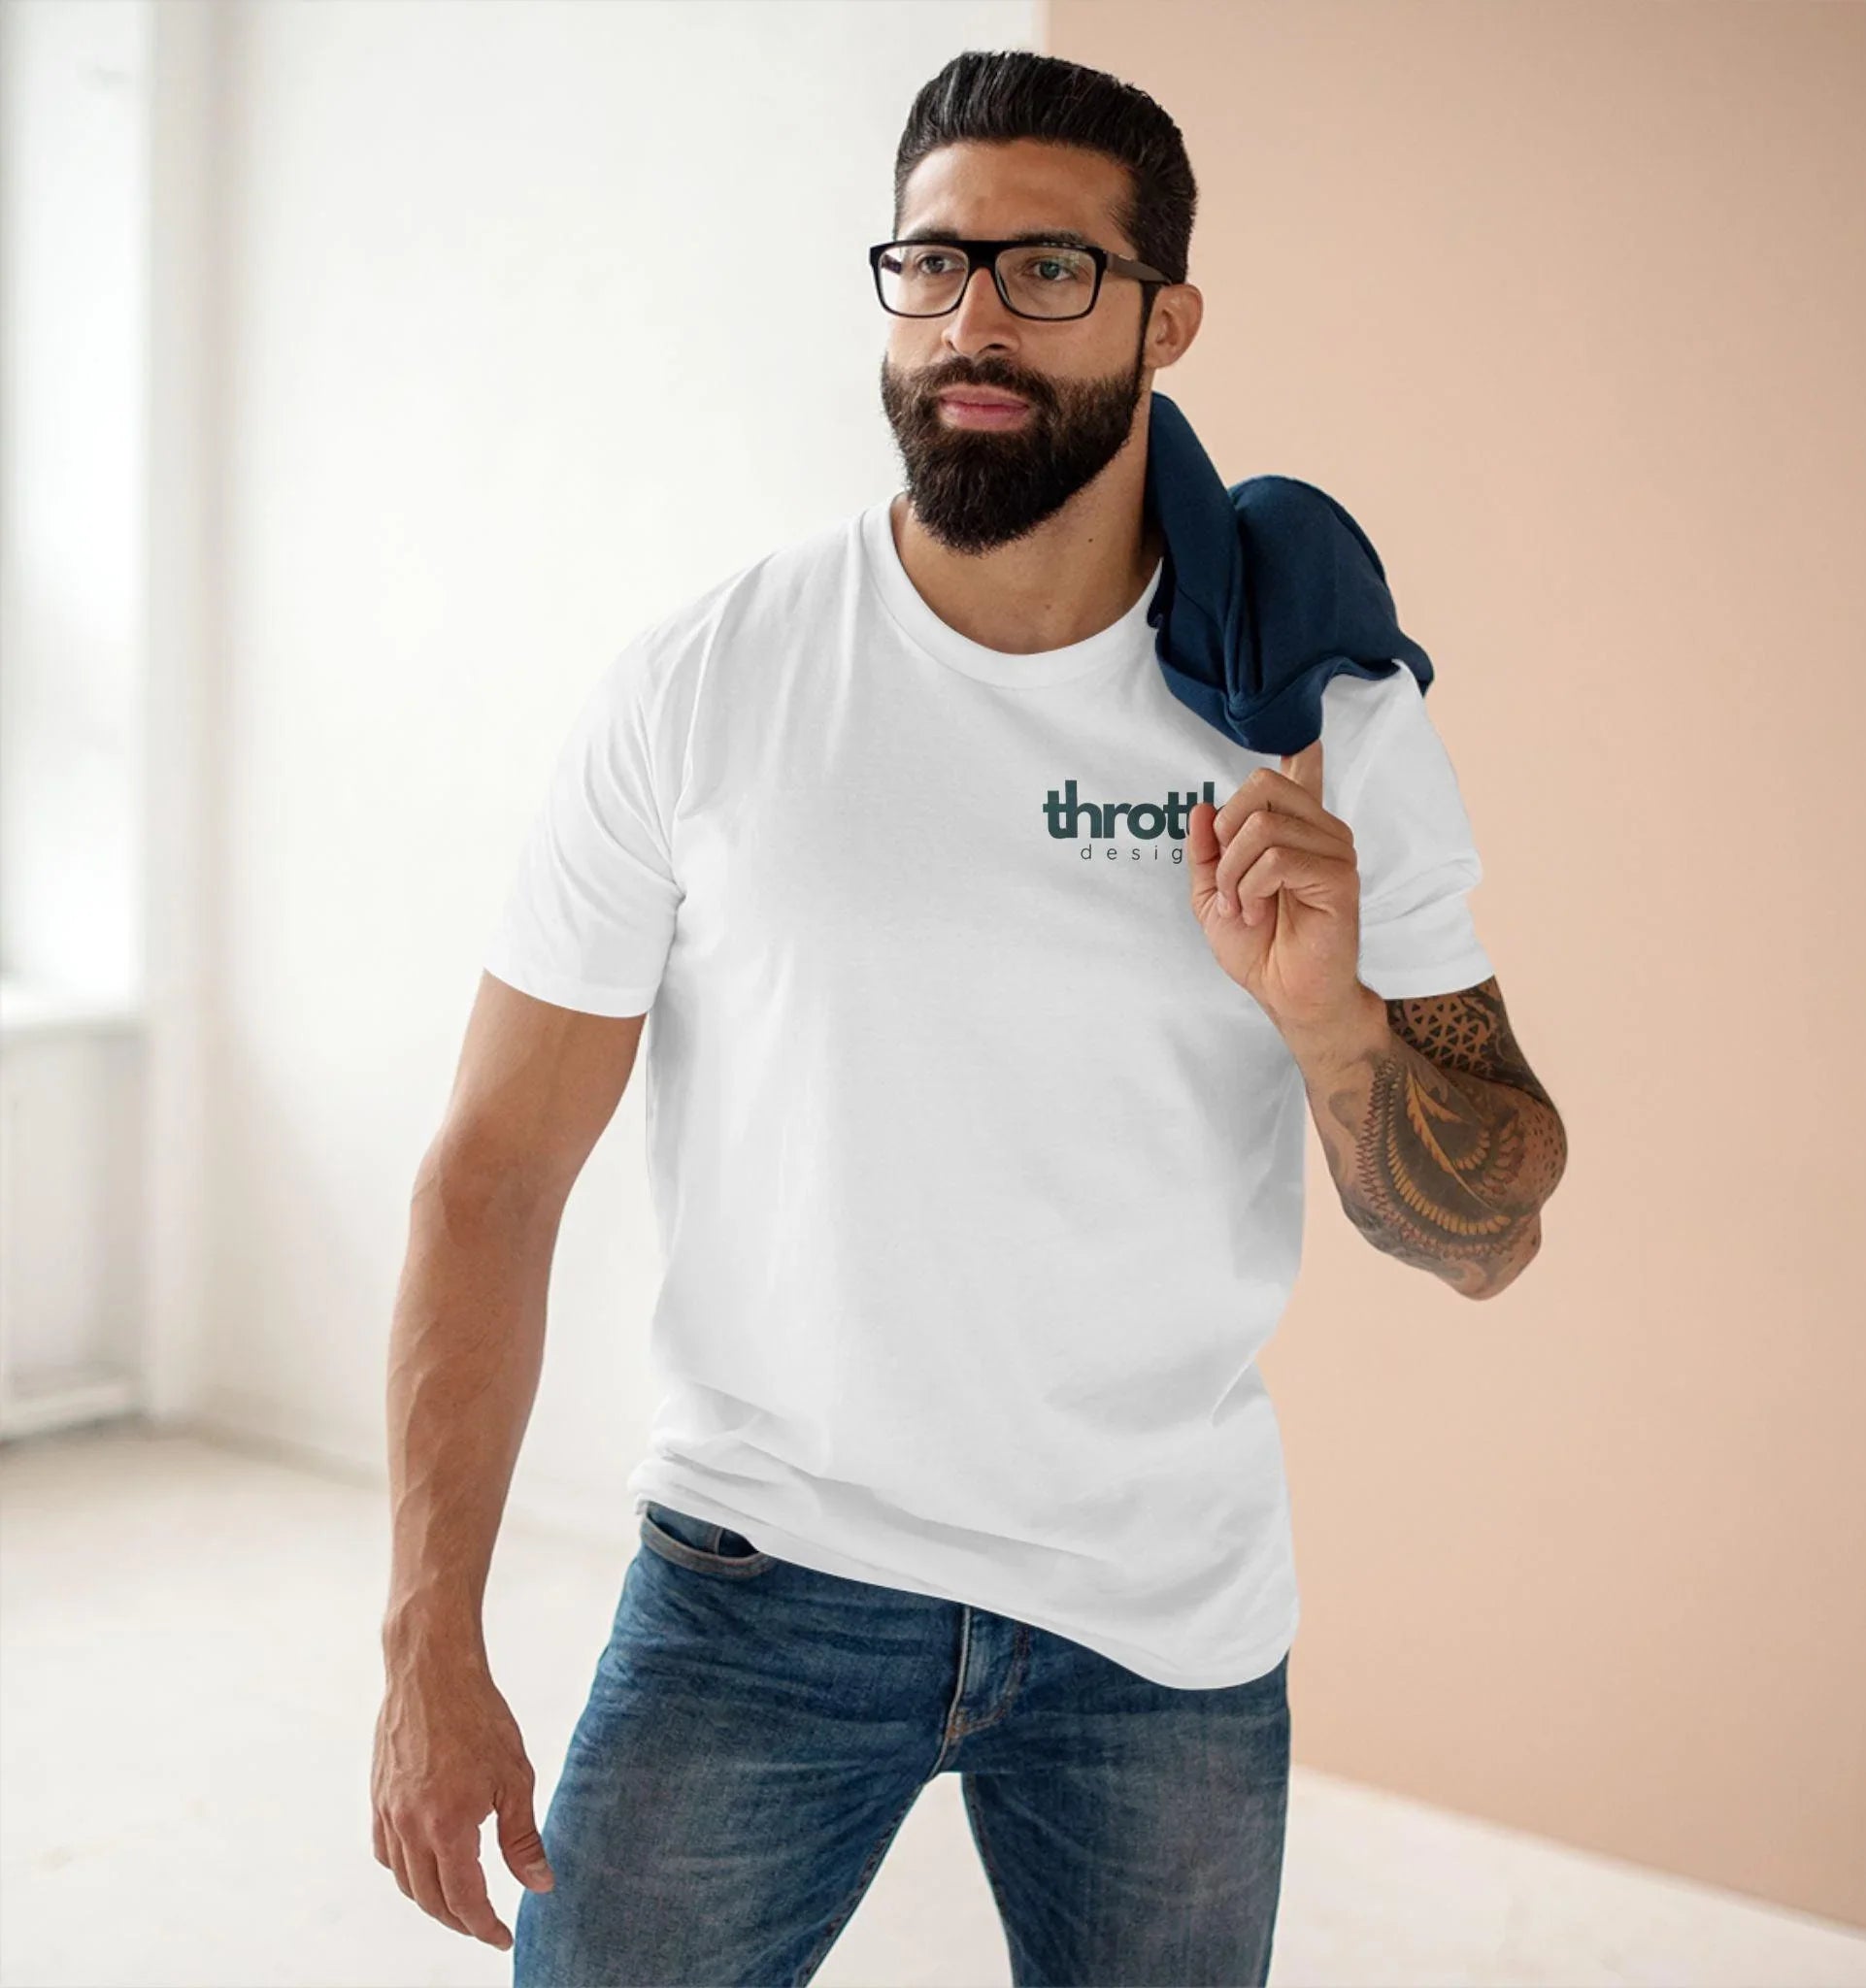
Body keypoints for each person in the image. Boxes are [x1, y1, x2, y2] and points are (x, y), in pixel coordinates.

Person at [371, 46, 1564, 1988]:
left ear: (1168, 319)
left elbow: (1492, 1228)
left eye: (1047, 269)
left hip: (1158, 1624)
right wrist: (427, 1644)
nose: (972, 321)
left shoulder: (1315, 717)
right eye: (931, 264)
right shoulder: (709, 683)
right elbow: (491, 1175)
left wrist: (1332, 1020)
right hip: (763, 1580)